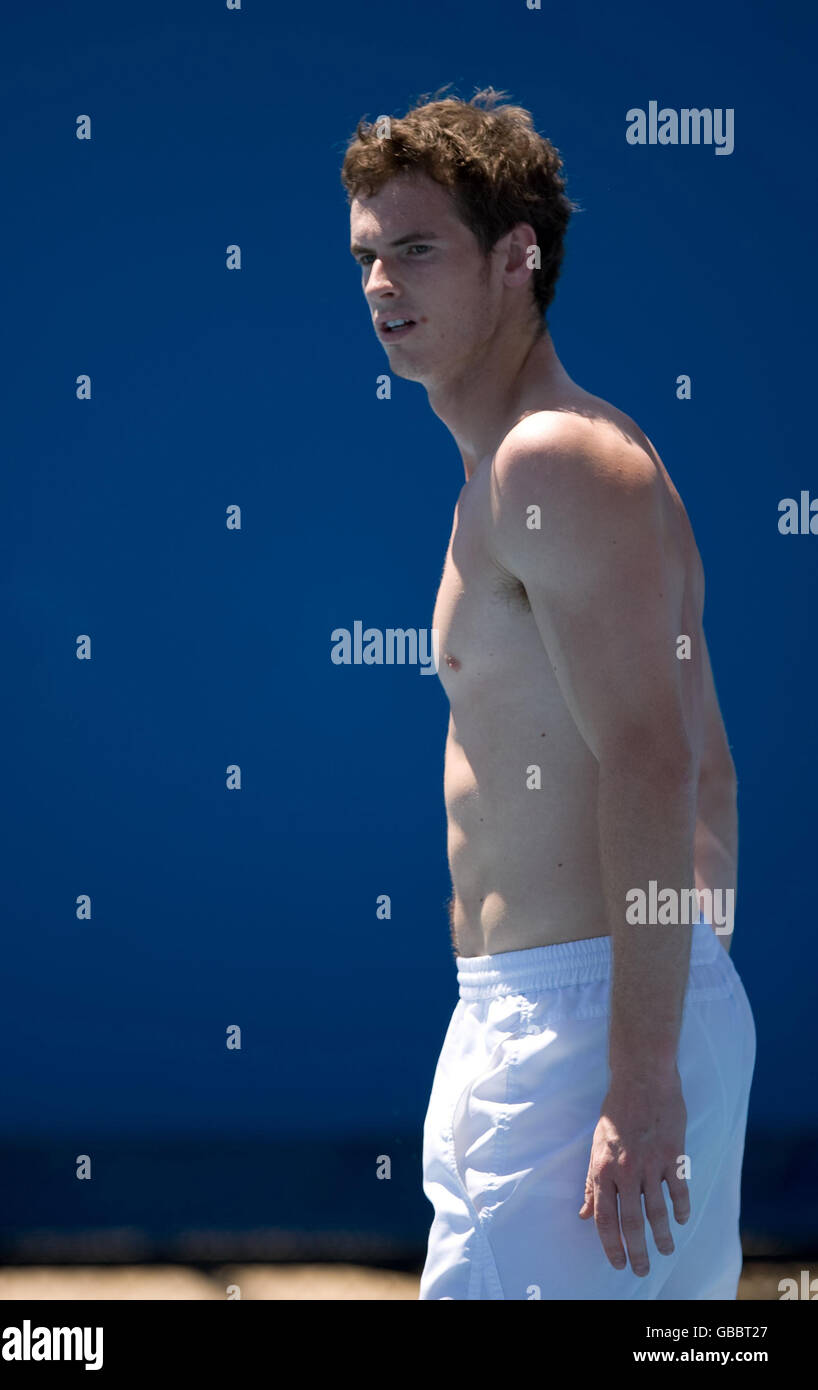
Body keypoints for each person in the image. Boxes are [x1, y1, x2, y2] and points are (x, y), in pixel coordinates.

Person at [341, 87, 756, 1300]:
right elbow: (708, 768)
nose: (379, 284)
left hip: (582, 1035)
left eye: (415, 249)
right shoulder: (509, 470)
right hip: (551, 1016)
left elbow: (654, 762)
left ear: (517, 260)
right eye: (365, 254)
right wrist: (681, 1009)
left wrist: (640, 1068)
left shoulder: (550, 460)